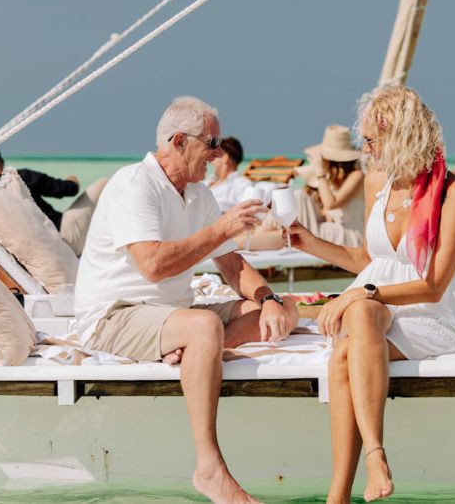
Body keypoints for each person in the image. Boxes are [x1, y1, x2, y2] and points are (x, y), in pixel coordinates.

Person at [74, 96, 299, 504]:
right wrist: (221, 229)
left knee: (284, 309)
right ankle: (209, 467)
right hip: (114, 316)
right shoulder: (134, 184)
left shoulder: (198, 196)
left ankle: (194, 350)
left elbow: (231, 266)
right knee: (205, 325)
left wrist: (267, 298)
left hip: (170, 316)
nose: (217, 153)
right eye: (211, 142)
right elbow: (154, 266)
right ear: (178, 141)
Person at [286, 86, 455, 502]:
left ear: (401, 136)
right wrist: (308, 242)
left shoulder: (451, 193)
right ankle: (352, 482)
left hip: (428, 312)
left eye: (371, 139)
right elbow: (369, 257)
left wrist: (363, 294)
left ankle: (358, 473)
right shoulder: (377, 182)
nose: (365, 149)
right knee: (351, 338)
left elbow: (434, 284)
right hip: (375, 307)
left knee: (348, 346)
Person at [0, 141, 107, 255]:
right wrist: (73, 180)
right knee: (105, 183)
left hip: (42, 253)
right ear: (1, 162)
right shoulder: (21, 177)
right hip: (64, 236)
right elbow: (67, 190)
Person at [295, 124, 366, 246]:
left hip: (350, 235)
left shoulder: (357, 175)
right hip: (333, 229)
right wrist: (325, 214)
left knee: (299, 198)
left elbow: (331, 204)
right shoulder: (330, 179)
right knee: (282, 224)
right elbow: (327, 209)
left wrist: (320, 173)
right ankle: (253, 237)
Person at [207, 136, 253, 212]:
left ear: (225, 157)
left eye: (214, 154)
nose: (211, 159)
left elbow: (248, 212)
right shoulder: (207, 180)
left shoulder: (242, 185)